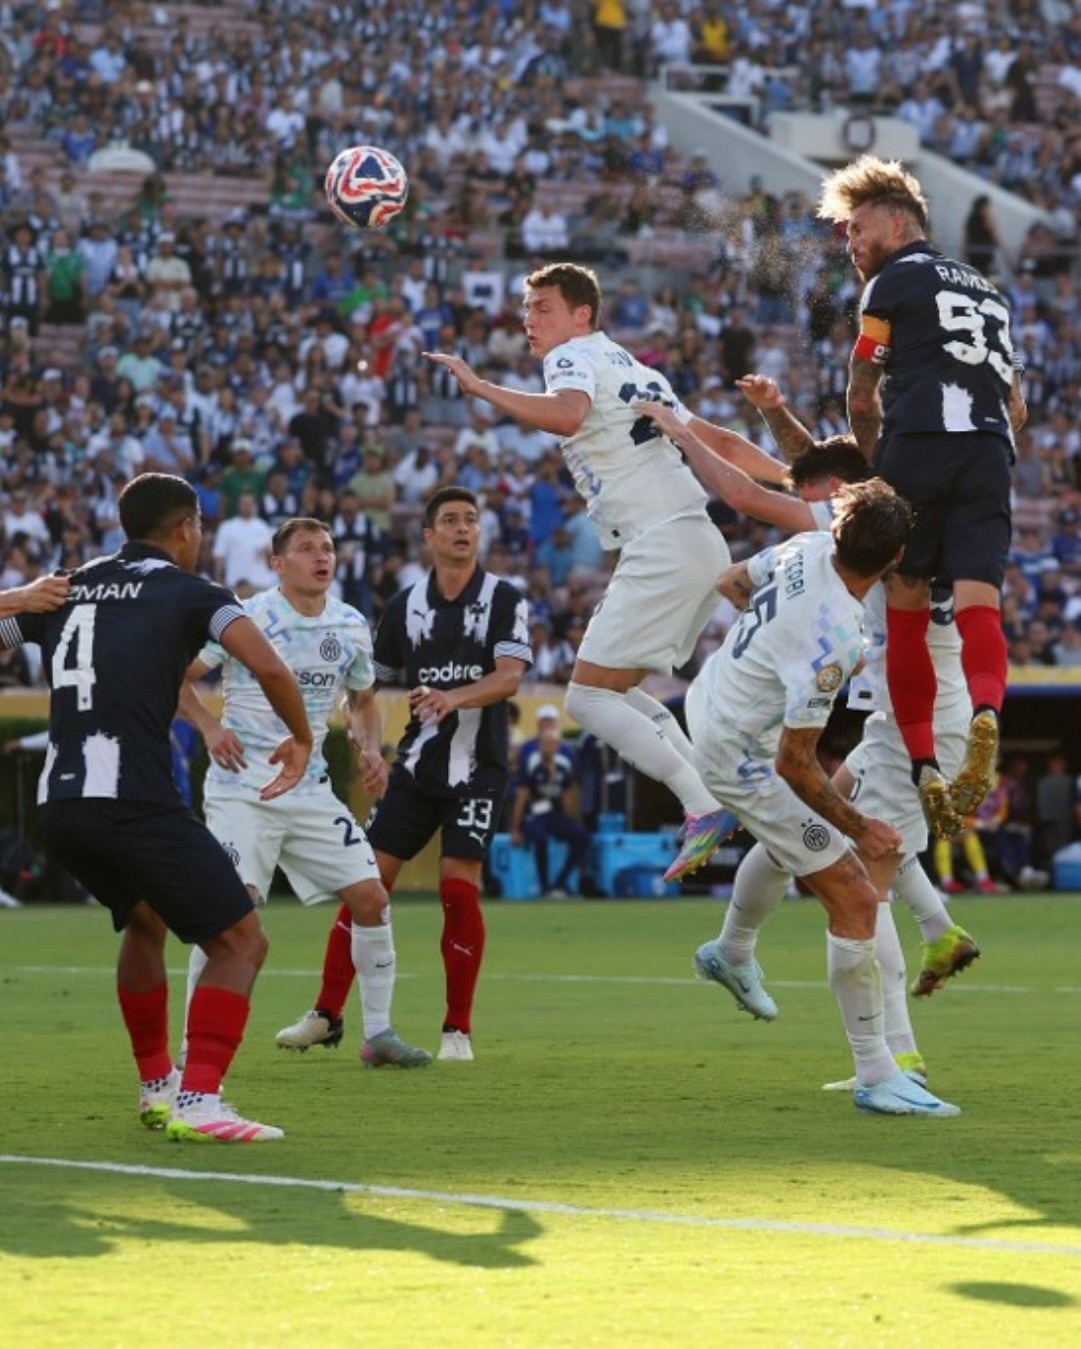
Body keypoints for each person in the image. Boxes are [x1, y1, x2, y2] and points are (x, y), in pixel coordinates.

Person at [639, 399, 979, 1076]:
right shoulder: (919, 542)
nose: (812, 497)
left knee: (844, 847)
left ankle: (743, 942)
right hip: (891, 722)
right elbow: (825, 466)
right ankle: (895, 1059)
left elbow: (764, 520)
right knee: (858, 876)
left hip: (898, 720)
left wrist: (762, 647)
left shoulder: (821, 542)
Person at [424, 263, 790, 880]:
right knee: (613, 690)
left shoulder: (570, 359)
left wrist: (481, 387)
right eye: (526, 309)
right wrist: (791, 477)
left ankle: (703, 804)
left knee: (587, 700)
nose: (528, 320)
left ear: (581, 315)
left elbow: (567, 416)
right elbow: (719, 443)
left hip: (665, 541)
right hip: (697, 540)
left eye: (542, 307)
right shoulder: (632, 367)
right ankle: (711, 791)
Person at [0, 473, 313, 1142]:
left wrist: (13, 600)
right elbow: (271, 668)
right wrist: (304, 737)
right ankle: (201, 1098)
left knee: (144, 921)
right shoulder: (190, 590)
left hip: (62, 802)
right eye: (199, 528)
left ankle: (157, 1085)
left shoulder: (63, 586)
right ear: (185, 528)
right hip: (132, 798)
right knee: (240, 939)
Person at [684, 478, 960, 1116]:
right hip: (745, 759)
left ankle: (730, 952)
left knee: (789, 852)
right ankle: (876, 1073)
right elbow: (797, 765)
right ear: (895, 560)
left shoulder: (803, 548)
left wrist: (776, 654)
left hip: (709, 701)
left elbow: (730, 581)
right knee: (855, 892)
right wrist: (863, 826)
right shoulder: (835, 638)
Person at [277, 486, 531, 1062]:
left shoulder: (504, 599)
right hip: (415, 769)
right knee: (366, 889)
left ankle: (457, 1030)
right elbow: (364, 691)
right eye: (450, 520)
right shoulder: (402, 607)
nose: (463, 528)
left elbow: (510, 677)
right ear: (429, 536)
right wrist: (371, 750)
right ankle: (325, 1014)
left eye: (471, 518)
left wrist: (452, 697)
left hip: (476, 770)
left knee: (457, 888)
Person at [817, 156, 1026, 840]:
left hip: (919, 439)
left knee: (903, 601)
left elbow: (859, 389)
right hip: (991, 448)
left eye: (858, 227)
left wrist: (882, 468)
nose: (851, 242)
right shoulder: (989, 292)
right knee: (978, 602)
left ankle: (921, 763)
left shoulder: (887, 283)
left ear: (898, 220)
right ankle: (986, 713)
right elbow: (1016, 405)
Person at [178, 517, 431, 1070]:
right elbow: (179, 673)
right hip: (244, 787)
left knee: (371, 898)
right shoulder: (248, 617)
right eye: (308, 548)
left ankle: (380, 1035)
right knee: (230, 914)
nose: (323, 557)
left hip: (311, 788)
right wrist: (209, 727)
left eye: (329, 548)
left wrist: (369, 749)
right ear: (277, 563)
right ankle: (188, 1055)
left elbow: (361, 700)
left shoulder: (349, 623)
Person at [510, 723, 590, 897]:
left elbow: (568, 796)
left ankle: (560, 883)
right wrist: (515, 828)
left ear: (558, 746)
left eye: (553, 743)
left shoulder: (563, 764)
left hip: (556, 814)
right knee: (540, 838)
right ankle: (544, 885)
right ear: (540, 745)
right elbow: (521, 796)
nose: (549, 747)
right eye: (545, 743)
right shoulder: (531, 762)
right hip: (535, 815)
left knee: (582, 836)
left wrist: (571, 811)